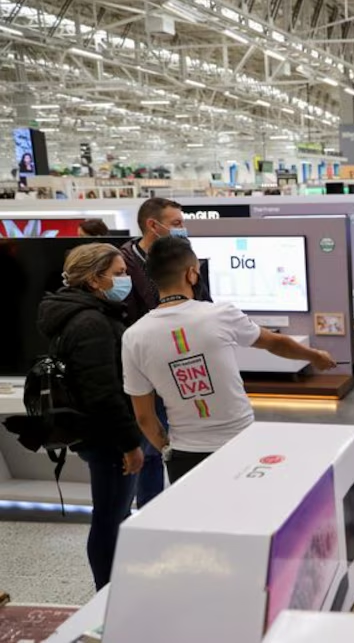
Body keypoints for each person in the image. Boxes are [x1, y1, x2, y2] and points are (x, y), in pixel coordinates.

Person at [122, 237, 335, 483]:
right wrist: (315, 356)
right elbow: (275, 343)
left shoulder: (133, 337)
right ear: (191, 274)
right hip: (240, 442)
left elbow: (144, 417)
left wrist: (167, 449)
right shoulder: (220, 314)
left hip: (184, 454)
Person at [37, 244, 144, 590]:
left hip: (98, 434)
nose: (125, 279)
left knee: (114, 515)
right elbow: (103, 392)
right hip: (107, 438)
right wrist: (130, 444)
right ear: (95, 279)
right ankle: (107, 597)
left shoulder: (83, 313)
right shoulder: (91, 322)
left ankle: (116, 590)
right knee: (110, 519)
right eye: (119, 273)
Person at [120, 198, 208, 506]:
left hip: (186, 365)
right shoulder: (124, 265)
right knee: (151, 452)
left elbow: (203, 301)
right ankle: (151, 511)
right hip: (148, 369)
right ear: (152, 225)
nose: (182, 229)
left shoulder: (184, 255)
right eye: (176, 223)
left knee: (188, 443)